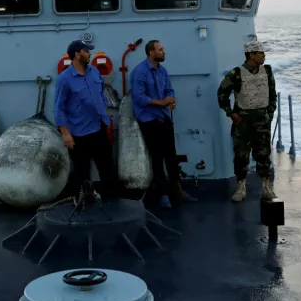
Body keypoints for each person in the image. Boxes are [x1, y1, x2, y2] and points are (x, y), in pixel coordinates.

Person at [130, 40, 197, 208]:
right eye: (160, 49)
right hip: (149, 120)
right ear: (151, 53)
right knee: (157, 158)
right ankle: (162, 195)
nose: (164, 52)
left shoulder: (162, 71)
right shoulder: (140, 72)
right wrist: (161, 103)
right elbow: (138, 97)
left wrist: (171, 100)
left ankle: (178, 191)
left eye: (163, 49)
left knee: (171, 157)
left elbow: (170, 90)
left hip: (164, 118)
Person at [54, 39, 119, 199]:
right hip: (79, 132)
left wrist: (103, 109)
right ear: (77, 55)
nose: (89, 54)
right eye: (86, 51)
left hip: (99, 127)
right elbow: (59, 107)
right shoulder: (64, 79)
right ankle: (82, 201)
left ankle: (112, 201)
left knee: (107, 167)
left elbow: (101, 92)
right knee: (82, 172)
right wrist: (65, 133)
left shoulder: (94, 71)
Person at [217, 40, 277, 202]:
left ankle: (266, 186)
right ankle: (241, 186)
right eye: (260, 53)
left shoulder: (267, 71)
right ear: (251, 55)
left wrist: (269, 115)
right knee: (241, 155)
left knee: (263, 154)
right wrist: (231, 114)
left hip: (262, 120)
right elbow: (222, 93)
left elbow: (272, 96)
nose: (263, 55)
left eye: (263, 53)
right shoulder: (236, 73)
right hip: (242, 122)